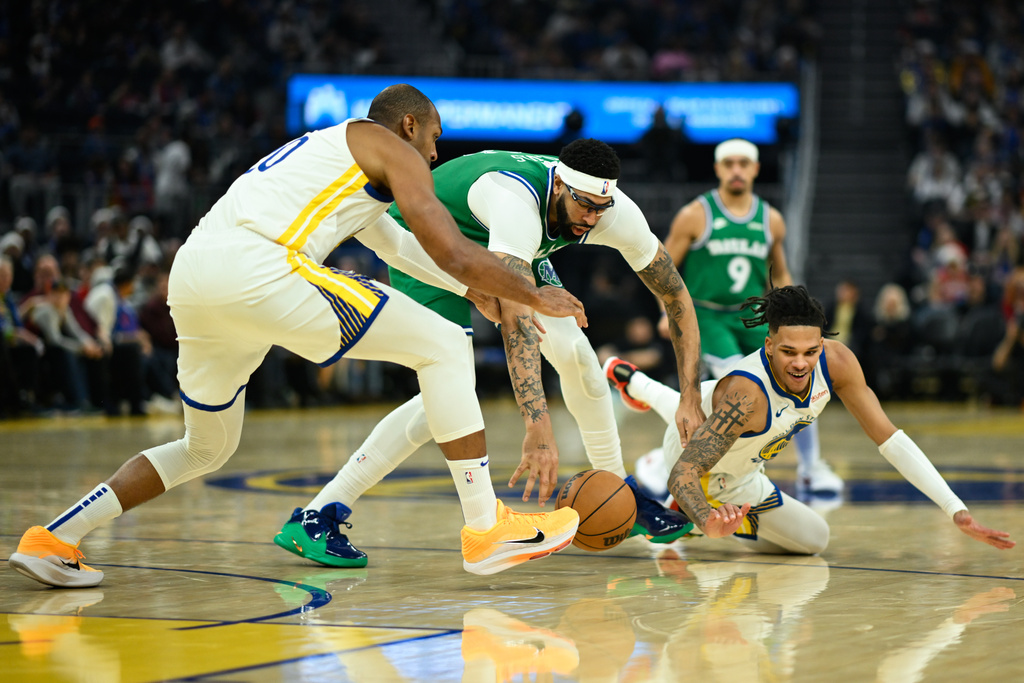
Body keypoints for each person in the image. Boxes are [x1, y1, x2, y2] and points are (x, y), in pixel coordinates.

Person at [7, 84, 589, 588]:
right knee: (444, 344)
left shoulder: (331, 152)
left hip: (195, 275)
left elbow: (398, 247)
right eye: (434, 138)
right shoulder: (390, 146)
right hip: (261, 266)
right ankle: (485, 527)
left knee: (204, 447)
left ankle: (53, 539)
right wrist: (529, 294)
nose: (436, 154)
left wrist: (471, 290)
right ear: (409, 125)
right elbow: (449, 246)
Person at [278, 139, 707, 565]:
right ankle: (321, 511)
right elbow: (516, 317)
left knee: (579, 358)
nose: (592, 219)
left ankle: (619, 491)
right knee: (447, 394)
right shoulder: (516, 201)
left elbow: (677, 298)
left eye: (601, 208)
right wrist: (538, 427)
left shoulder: (613, 213)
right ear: (560, 186)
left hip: (501, 243)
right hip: (429, 239)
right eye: (584, 206)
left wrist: (689, 395)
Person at [606, 285, 1015, 554]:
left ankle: (634, 381)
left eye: (810, 351)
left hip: (745, 472)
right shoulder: (747, 396)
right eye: (788, 352)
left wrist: (955, 509)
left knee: (815, 540)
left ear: (822, 342)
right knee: (693, 434)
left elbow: (890, 439)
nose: (801, 363)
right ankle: (669, 511)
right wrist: (707, 520)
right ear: (769, 345)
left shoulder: (837, 363)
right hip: (697, 461)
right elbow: (683, 472)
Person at [645, 137, 842, 498]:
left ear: (755, 169)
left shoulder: (771, 220)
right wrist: (665, 312)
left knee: (803, 380)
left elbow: (780, 274)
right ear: (718, 169)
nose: (736, 170)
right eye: (729, 163)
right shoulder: (695, 214)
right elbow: (660, 268)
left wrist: (792, 316)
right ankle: (664, 460)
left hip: (753, 315)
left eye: (743, 163)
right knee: (738, 383)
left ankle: (811, 468)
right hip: (706, 315)